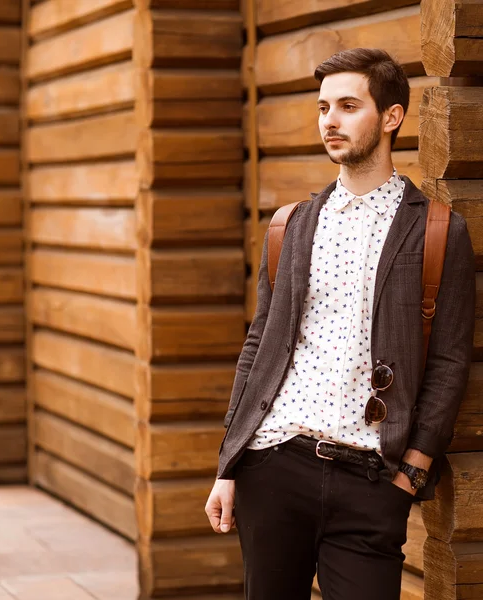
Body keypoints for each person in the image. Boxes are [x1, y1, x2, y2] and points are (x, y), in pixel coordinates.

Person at [205, 48, 476, 600]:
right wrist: (229, 464)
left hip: (372, 478)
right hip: (274, 465)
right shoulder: (291, 226)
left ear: (392, 117)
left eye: (349, 106)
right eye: (323, 107)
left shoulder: (439, 231)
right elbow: (259, 345)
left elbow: (449, 361)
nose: (330, 120)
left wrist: (411, 474)